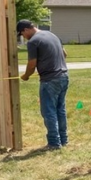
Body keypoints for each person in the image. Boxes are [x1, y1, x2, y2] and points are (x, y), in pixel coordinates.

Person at [18, 20, 69, 149]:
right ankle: (63, 140)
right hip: (63, 76)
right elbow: (64, 54)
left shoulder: (34, 41)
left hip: (49, 80)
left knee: (49, 111)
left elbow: (31, 64)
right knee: (60, 109)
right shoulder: (52, 35)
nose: (23, 37)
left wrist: (26, 76)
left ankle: (53, 143)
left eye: (22, 34)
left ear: (26, 30)